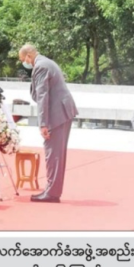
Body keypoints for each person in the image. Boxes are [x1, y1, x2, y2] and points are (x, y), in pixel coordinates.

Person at [18, 44, 78, 203]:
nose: (24, 64)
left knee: (53, 154)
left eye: (23, 60)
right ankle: (53, 190)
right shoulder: (46, 62)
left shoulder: (41, 66)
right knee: (57, 153)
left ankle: (52, 193)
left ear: (29, 56)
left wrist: (42, 124)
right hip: (62, 110)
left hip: (57, 113)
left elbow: (42, 95)